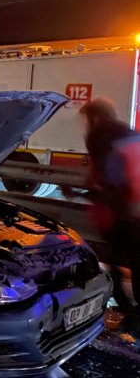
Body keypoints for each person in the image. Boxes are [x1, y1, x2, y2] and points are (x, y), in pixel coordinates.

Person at [78, 97, 139, 313]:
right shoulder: (129, 131)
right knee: (128, 252)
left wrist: (91, 191)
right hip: (134, 202)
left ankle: (128, 310)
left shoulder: (98, 135)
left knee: (121, 250)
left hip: (125, 207)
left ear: (93, 116)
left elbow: (106, 174)